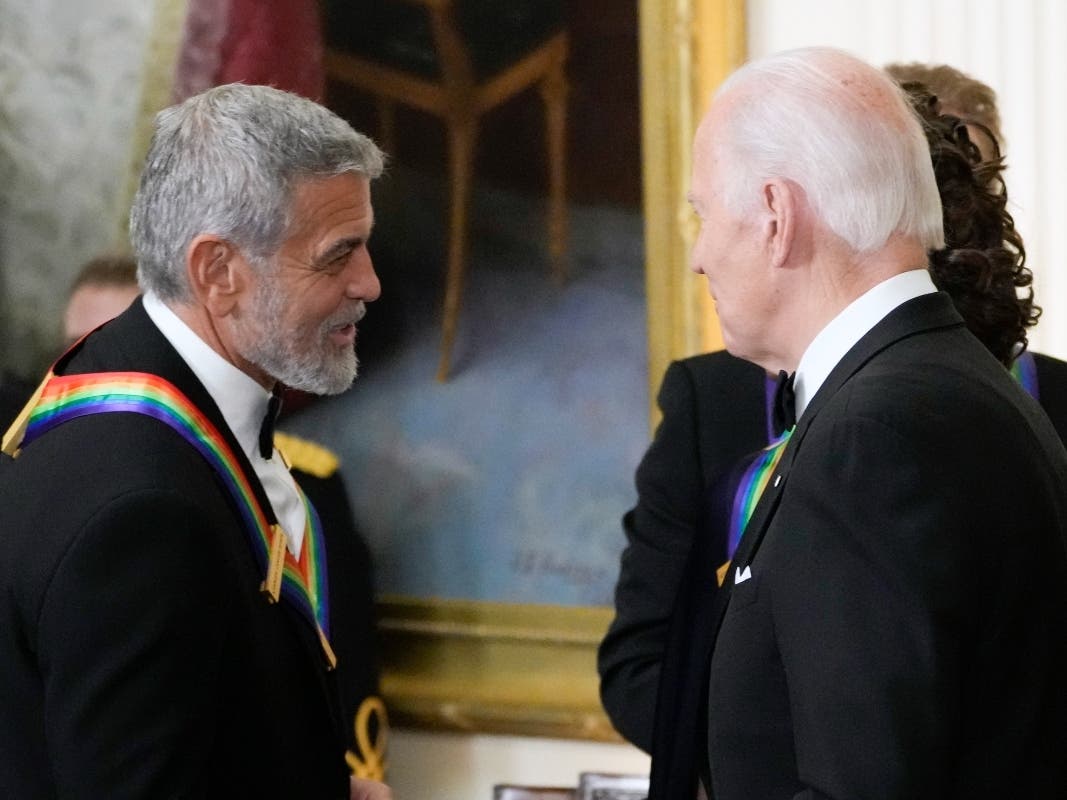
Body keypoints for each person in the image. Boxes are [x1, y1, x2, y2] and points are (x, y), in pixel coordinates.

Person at [606, 48, 1067, 799]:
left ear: (776, 219)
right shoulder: (942, 384)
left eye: (705, 214)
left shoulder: (874, 434)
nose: (698, 256)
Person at [0, 83, 391, 799]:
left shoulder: (122, 398)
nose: (368, 283)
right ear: (218, 272)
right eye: (338, 256)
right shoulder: (143, 511)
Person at [56, 251, 393, 784]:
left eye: (116, 346)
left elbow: (335, 671)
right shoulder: (33, 488)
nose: (96, 371)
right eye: (77, 349)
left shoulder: (285, 484)